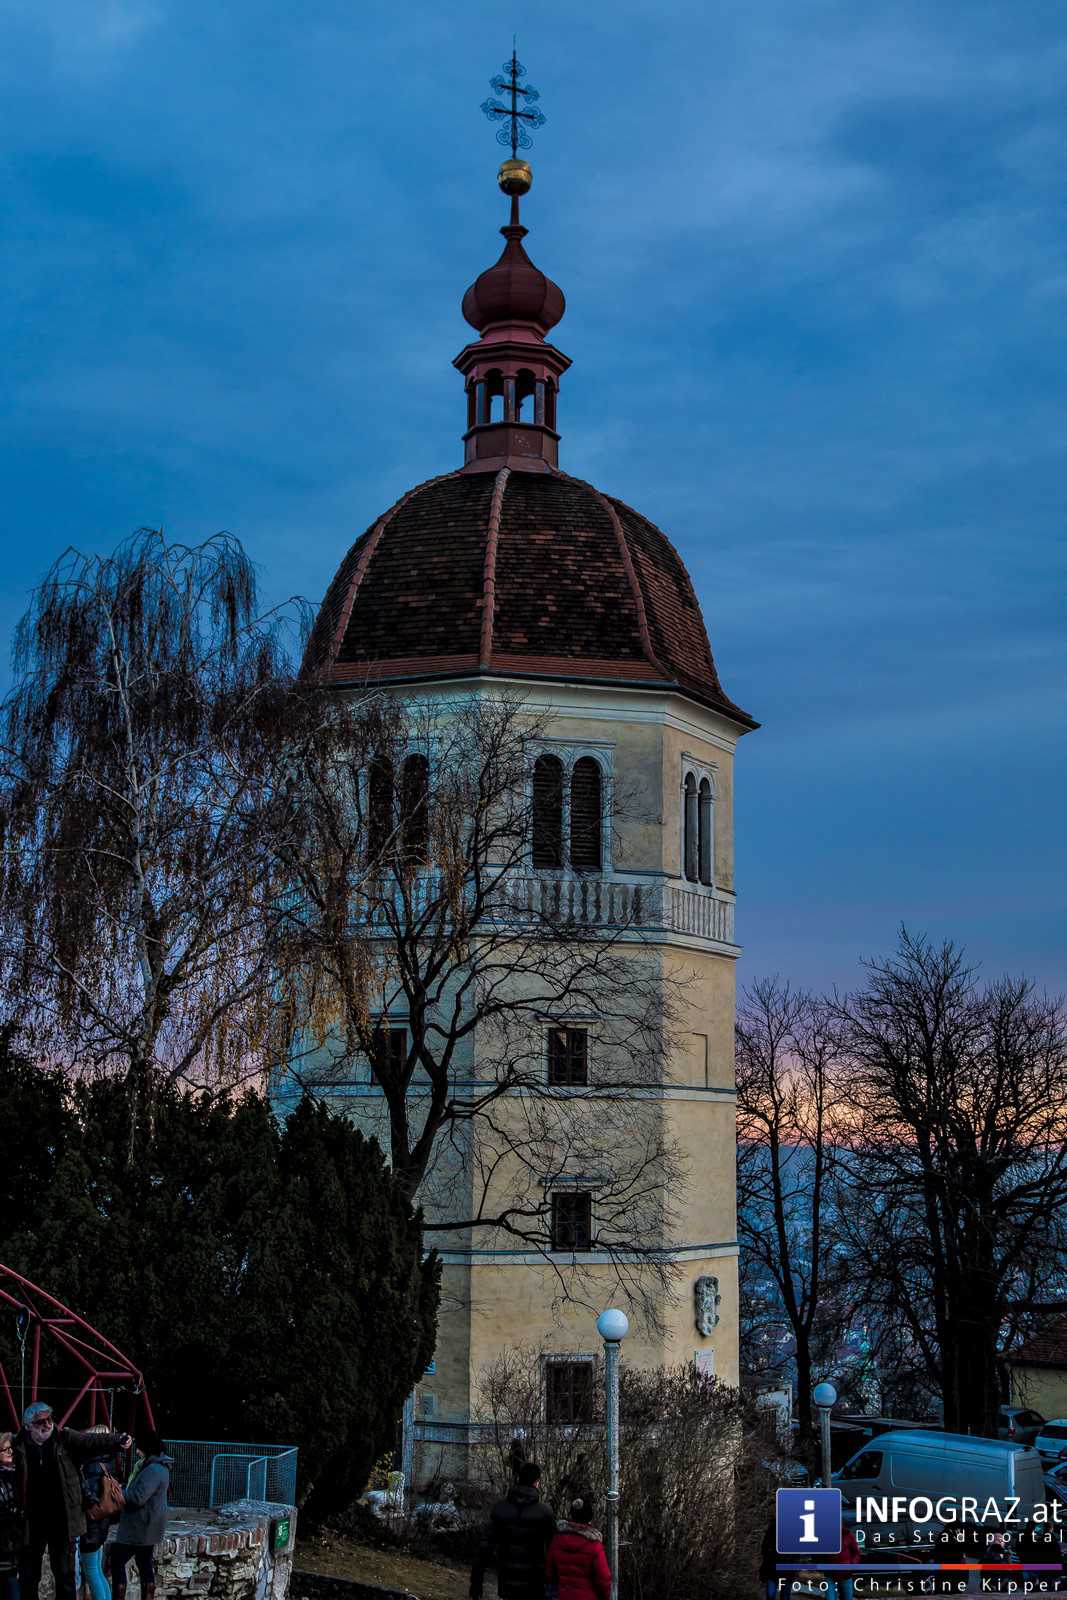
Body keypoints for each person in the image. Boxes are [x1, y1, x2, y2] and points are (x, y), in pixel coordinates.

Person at [13, 1404, 132, 1600]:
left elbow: (90, 1440)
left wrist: (118, 1440)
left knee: (64, 1573)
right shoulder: (20, 1444)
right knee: (28, 1574)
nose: (47, 1424)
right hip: (33, 1519)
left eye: (50, 1419)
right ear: (29, 1426)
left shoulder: (64, 1438)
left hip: (62, 1518)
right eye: (40, 1422)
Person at [471, 1460, 556, 1600]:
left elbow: (484, 1549)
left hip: (507, 1581)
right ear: (536, 1482)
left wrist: (476, 1584)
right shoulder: (545, 1512)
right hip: (535, 1582)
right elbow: (554, 1550)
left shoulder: (501, 1509)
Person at [109, 1431, 171, 1600]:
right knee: (144, 1564)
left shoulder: (153, 1469)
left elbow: (137, 1497)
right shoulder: (160, 1467)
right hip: (149, 1526)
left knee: (117, 1559)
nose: (137, 1451)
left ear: (147, 1448)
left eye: (139, 1448)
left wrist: (119, 1493)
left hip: (140, 1526)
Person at [79, 1427, 125, 1600]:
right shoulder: (107, 1461)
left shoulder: (91, 1465)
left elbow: (88, 1496)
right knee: (97, 1570)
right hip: (102, 1524)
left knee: (91, 1571)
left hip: (91, 1524)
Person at [546, 1498, 610, 1600]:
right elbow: (604, 1579)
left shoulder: (557, 1540)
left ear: (571, 1515)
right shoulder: (594, 1545)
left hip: (561, 1595)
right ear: (590, 1517)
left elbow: (549, 1572)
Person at [0, 1432, 20, 1600]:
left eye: (11, 1449)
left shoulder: (14, 1475)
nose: (11, 1452)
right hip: (4, 1544)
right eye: (6, 1449)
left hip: (13, 1545)